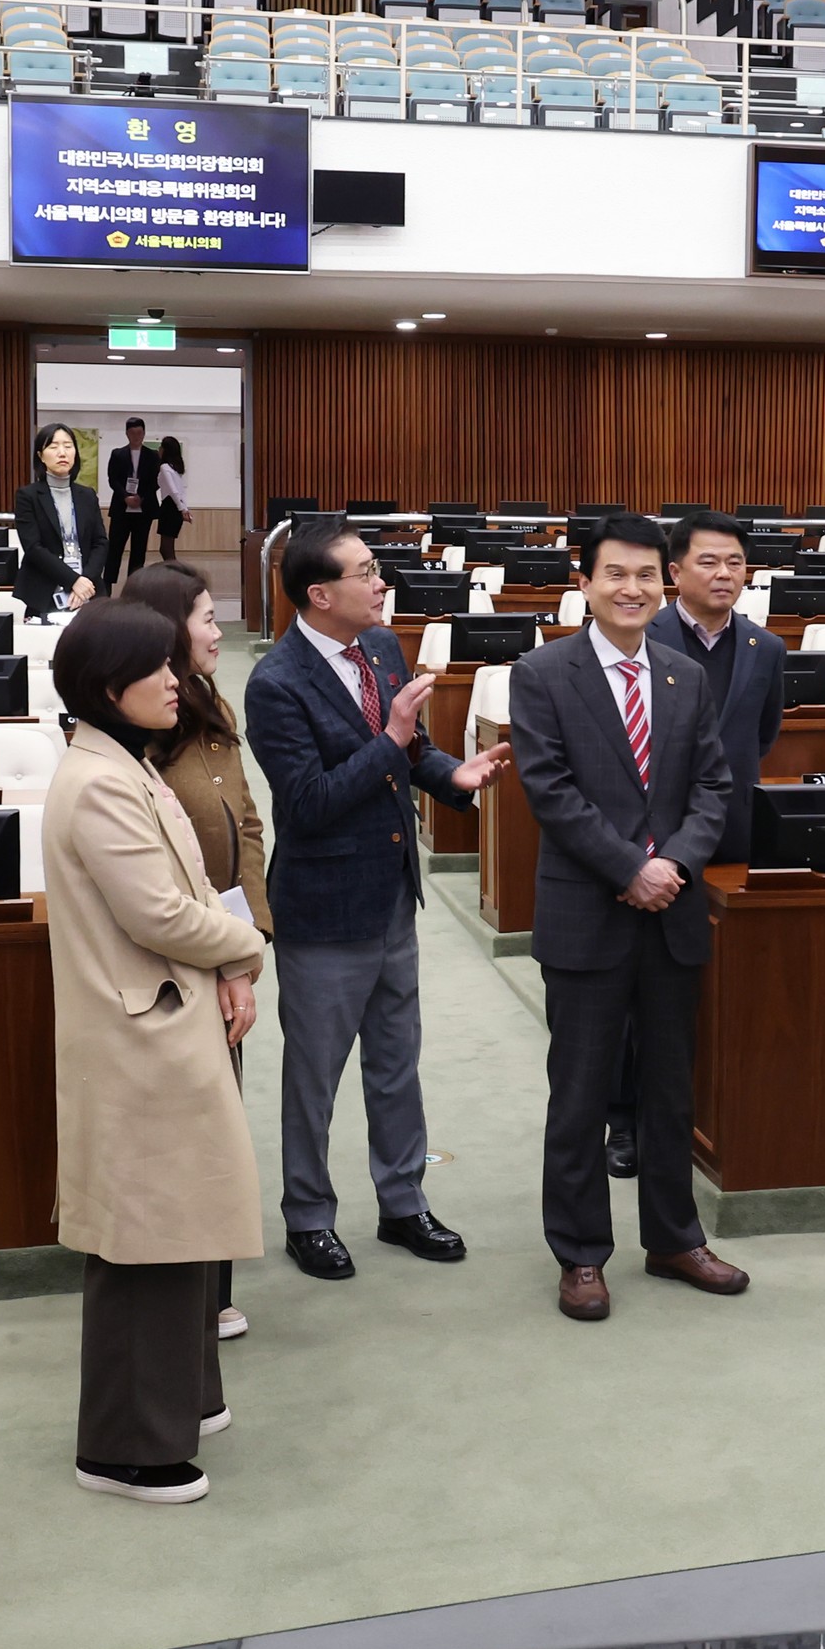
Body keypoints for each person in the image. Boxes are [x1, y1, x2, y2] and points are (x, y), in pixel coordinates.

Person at [44, 599, 269, 1504]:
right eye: (159, 671)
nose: (178, 682)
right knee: (145, 1240)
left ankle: (181, 1401)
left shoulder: (121, 761)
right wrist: (244, 949)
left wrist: (224, 955)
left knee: (178, 1231)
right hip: (139, 1031)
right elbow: (161, 913)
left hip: (164, 1014)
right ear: (110, 689)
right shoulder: (97, 781)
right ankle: (123, 1449)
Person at [241, 523, 506, 1280]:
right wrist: (393, 738)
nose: (381, 582)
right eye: (365, 572)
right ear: (320, 594)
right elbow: (309, 802)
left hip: (392, 896)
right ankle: (308, 1217)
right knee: (315, 1075)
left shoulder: (382, 649)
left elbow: (409, 752)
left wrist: (449, 773)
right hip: (324, 908)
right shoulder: (277, 683)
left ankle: (402, 1201)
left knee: (397, 1062)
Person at [507, 514, 746, 1322]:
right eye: (617, 574)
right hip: (588, 914)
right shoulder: (542, 673)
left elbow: (713, 788)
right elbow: (550, 791)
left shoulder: (685, 676)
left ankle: (674, 1237)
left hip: (672, 913)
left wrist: (672, 866)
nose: (633, 589)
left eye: (647, 575)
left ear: (664, 581)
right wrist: (629, 868)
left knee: (671, 1091)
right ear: (585, 582)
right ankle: (580, 1254)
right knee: (578, 1095)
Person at [118, 560, 273, 1340]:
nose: (220, 631)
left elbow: (245, 823)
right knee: (186, 1131)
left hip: (226, 945)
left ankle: (212, 1289)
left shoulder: (210, 704)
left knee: (223, 1123)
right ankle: (185, 1294)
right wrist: (219, 958)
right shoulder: (136, 732)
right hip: (174, 959)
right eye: (208, 618)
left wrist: (246, 955)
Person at [609, 509, 785, 1176]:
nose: (724, 574)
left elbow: (757, 740)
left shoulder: (765, 649)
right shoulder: (635, 634)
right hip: (647, 842)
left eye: (735, 562)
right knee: (634, 992)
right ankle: (623, 1121)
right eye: (708, 561)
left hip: (730, 837)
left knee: (704, 986)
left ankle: (695, 1118)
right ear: (675, 571)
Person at [13, 422, 106, 619]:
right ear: (40, 456)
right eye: (53, 447)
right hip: (44, 590)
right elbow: (34, 548)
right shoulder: (27, 496)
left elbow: (100, 542)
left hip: (88, 591)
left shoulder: (87, 495)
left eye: (68, 446)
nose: (62, 453)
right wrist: (73, 580)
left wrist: (85, 581)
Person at [102, 419, 160, 590]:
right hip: (121, 508)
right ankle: (107, 586)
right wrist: (125, 496)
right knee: (114, 548)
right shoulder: (118, 454)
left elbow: (155, 481)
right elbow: (113, 479)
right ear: (127, 434)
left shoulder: (152, 455)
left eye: (140, 433)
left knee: (138, 550)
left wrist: (141, 497)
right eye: (133, 433)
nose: (136, 437)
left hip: (144, 510)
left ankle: (134, 587)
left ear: (144, 433)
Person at [153, 437, 189, 562]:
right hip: (175, 508)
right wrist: (184, 508)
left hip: (169, 507)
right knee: (167, 548)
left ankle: (176, 574)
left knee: (165, 548)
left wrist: (182, 508)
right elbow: (181, 491)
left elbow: (173, 490)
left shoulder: (165, 467)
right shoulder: (176, 469)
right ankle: (174, 572)